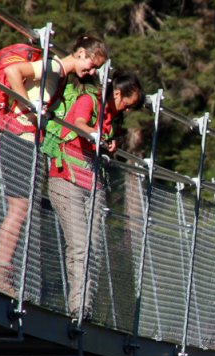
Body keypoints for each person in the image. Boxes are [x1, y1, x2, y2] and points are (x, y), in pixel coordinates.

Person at [0, 34, 108, 297]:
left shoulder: (59, 75)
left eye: (97, 68)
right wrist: (27, 105)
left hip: (25, 141)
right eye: (91, 63)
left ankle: (2, 271)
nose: (92, 70)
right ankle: (0, 273)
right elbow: (13, 71)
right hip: (21, 139)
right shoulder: (53, 67)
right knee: (19, 209)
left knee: (21, 208)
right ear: (79, 53)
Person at [46, 71, 143, 319]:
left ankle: (84, 308)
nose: (128, 111)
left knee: (95, 248)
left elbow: (101, 138)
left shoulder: (113, 117)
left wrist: (112, 143)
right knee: (80, 246)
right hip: (67, 177)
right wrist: (97, 134)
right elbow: (79, 124)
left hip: (93, 184)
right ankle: (78, 308)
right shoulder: (90, 100)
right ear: (118, 93)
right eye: (127, 104)